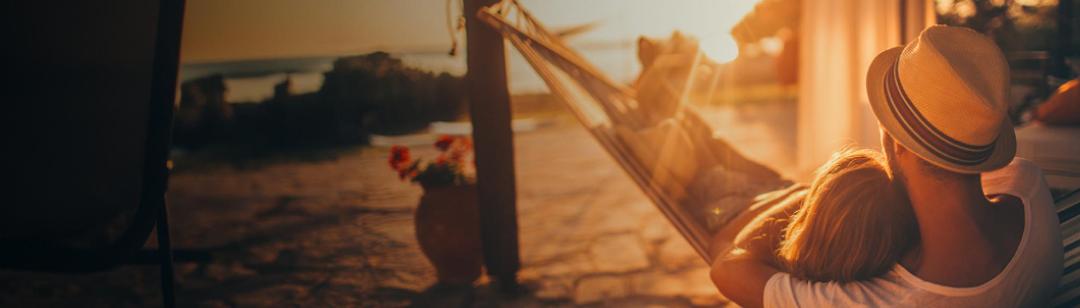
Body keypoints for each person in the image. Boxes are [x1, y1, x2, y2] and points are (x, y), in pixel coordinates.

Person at [708, 25, 1063, 307]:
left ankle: (698, 141)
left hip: (746, 213)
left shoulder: (887, 300)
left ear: (895, 143)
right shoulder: (1027, 189)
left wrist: (810, 192)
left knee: (732, 181)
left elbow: (727, 265)